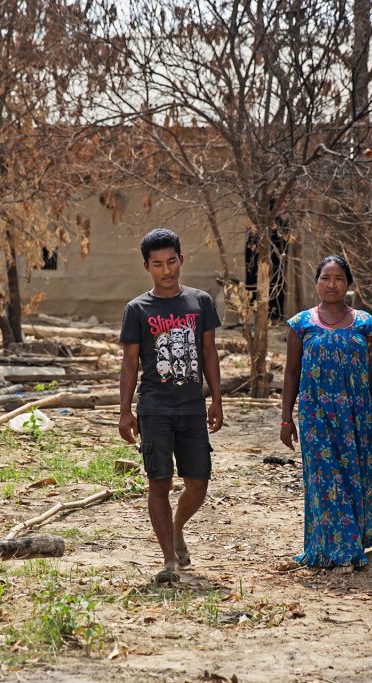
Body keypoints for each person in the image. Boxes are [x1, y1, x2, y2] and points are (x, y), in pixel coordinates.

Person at [118, 228, 224, 584]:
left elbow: (209, 351)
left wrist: (217, 399)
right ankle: (169, 561)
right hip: (155, 409)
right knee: (158, 483)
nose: (167, 270)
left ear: (182, 259)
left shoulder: (200, 302)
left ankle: (178, 528)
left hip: (192, 408)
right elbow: (130, 363)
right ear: (147, 266)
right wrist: (124, 411)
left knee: (198, 483)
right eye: (158, 264)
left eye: (172, 262)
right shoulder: (137, 309)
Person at [280, 255, 372, 570]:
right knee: (323, 479)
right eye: (326, 277)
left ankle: (352, 544)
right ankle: (327, 549)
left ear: (348, 284)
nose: (332, 284)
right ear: (316, 283)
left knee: (356, 477)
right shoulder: (301, 325)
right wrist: (287, 419)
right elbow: (290, 373)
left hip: (356, 415)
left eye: (339, 278)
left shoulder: (365, 324)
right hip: (316, 417)